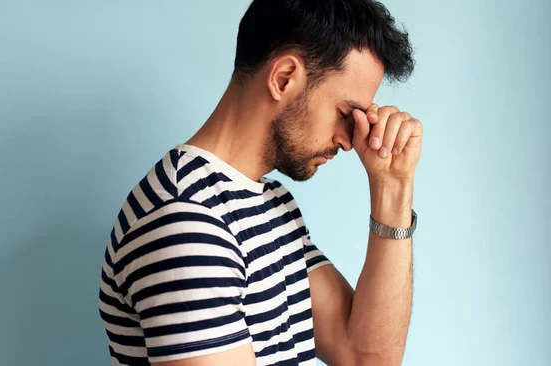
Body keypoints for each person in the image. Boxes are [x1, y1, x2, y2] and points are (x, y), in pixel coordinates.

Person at [98, 0, 423, 365]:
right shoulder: (185, 221)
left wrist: (392, 186)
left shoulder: (271, 202)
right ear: (284, 78)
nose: (351, 140)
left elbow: (366, 357)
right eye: (347, 114)